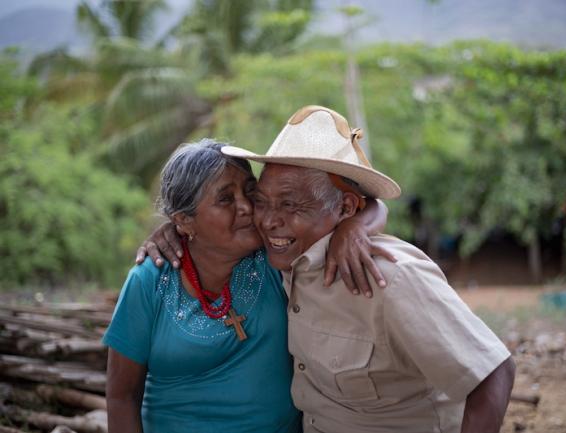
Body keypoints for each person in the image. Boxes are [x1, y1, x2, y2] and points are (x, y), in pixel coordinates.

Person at [219, 105, 516, 433]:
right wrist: (171, 231)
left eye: (289, 205)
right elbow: (206, 230)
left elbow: (493, 375)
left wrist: (360, 221)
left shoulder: (393, 278)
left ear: (346, 207)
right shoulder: (282, 263)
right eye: (261, 202)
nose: (269, 220)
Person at [103, 139, 389, 433]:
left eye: (250, 192)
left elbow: (371, 205)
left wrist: (354, 227)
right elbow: (121, 396)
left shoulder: (274, 259)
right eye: (225, 199)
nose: (245, 207)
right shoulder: (151, 280)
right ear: (184, 220)